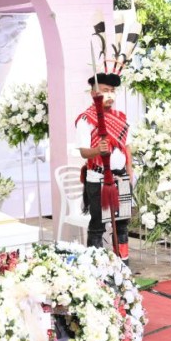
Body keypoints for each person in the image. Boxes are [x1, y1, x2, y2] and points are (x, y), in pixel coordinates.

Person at [75, 72, 134, 264]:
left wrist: (130, 170)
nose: (109, 95)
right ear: (94, 94)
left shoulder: (120, 118)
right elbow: (84, 153)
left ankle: (122, 263)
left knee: (122, 223)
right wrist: (97, 150)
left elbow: (127, 146)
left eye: (112, 91)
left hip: (121, 177)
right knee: (98, 225)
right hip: (97, 178)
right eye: (104, 91)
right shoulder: (86, 119)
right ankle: (97, 267)